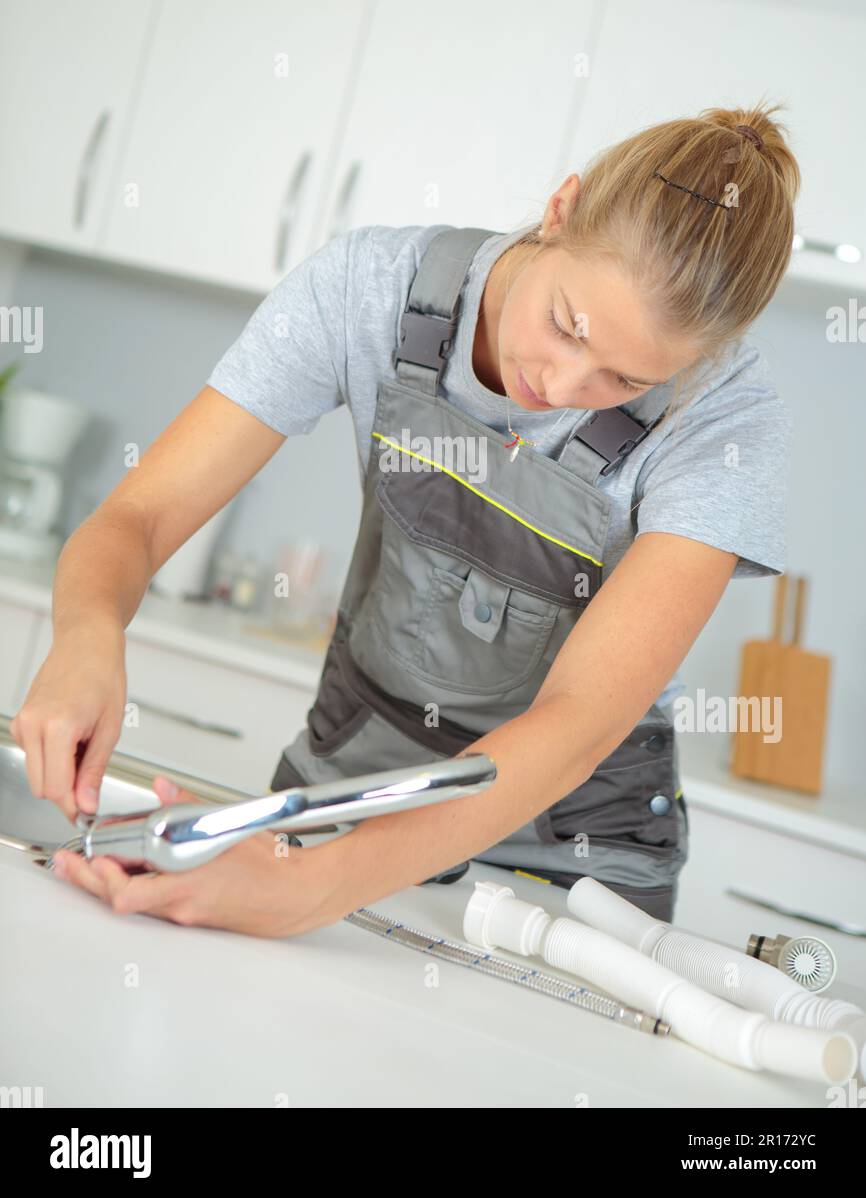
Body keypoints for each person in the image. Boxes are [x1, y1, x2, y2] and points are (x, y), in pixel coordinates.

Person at [11, 102, 800, 937]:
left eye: (623, 380)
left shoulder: (725, 428)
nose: (563, 386)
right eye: (568, 325)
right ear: (560, 210)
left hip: (567, 877)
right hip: (348, 790)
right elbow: (139, 514)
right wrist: (86, 635)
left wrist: (311, 890)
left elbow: (578, 722)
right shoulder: (369, 288)